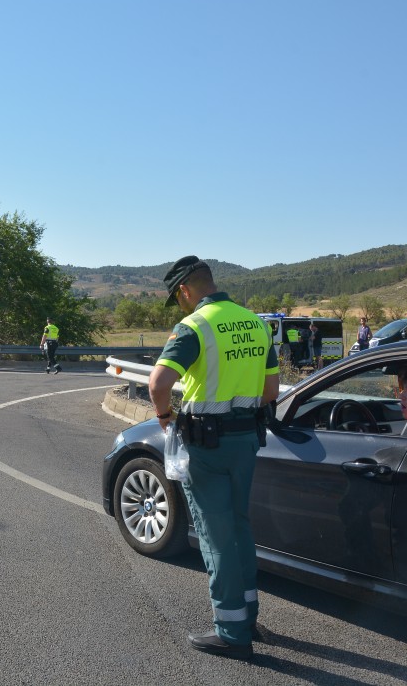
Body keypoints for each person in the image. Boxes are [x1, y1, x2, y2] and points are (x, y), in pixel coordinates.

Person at [148, 255, 280, 661]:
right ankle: (249, 616)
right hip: (246, 441)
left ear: (186, 289)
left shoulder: (194, 327)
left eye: (179, 297)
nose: (181, 305)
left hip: (206, 446)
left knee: (215, 534)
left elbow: (158, 383)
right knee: (239, 527)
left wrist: (167, 420)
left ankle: (232, 632)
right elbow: (271, 391)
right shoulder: (256, 323)